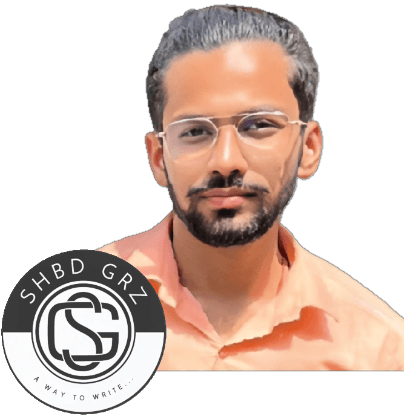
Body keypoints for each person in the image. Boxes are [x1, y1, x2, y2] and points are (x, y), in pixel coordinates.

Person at [97, 5, 404, 370]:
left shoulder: (380, 351)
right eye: (194, 131)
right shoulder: (66, 310)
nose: (226, 161)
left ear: (308, 148)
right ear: (159, 158)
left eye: (258, 125)